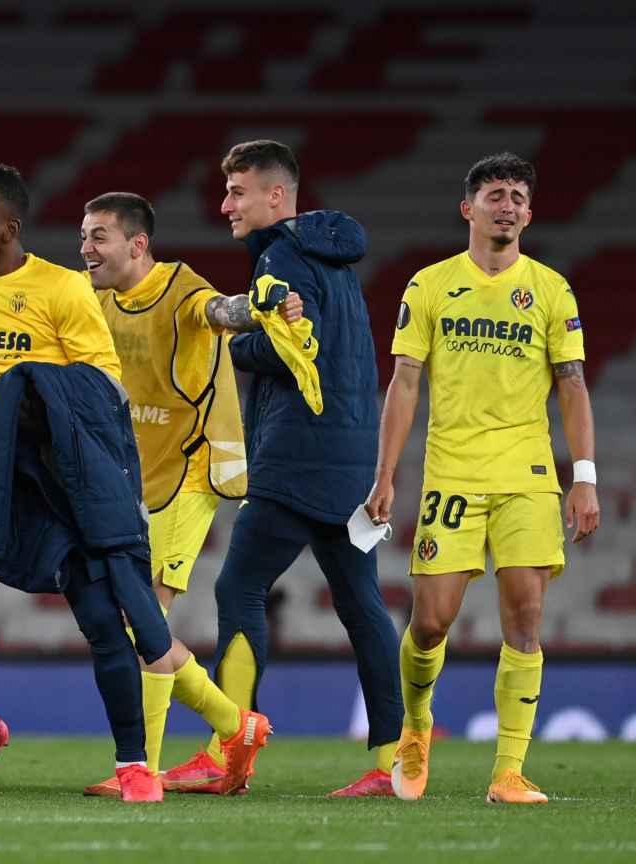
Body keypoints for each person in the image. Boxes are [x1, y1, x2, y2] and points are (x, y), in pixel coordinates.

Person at [0, 164, 239, 802]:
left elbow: (102, 386)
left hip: (51, 489)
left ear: (8, 226)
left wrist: (29, 395)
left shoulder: (62, 290)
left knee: (103, 623)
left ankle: (133, 765)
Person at [365, 153, 595, 805]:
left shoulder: (551, 289)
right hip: (452, 474)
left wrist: (585, 478)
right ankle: (415, 727)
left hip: (526, 474)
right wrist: (385, 475)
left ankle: (509, 771)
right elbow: (405, 383)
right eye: (497, 193)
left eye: (520, 195)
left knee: (525, 620)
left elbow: (571, 385)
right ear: (469, 208)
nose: (510, 204)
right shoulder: (430, 285)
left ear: (529, 211)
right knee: (432, 624)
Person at [204, 140, 402, 797]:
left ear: (276, 197)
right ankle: (390, 762)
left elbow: (294, 347)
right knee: (360, 602)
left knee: (238, 588)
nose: (225, 203)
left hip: (296, 455)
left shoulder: (282, 255)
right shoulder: (330, 255)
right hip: (348, 452)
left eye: (237, 191)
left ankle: (230, 749)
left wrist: (236, 336)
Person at [74, 192, 287, 795]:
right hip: (134, 474)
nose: (86, 248)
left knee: (146, 618)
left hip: (191, 471)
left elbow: (224, 312)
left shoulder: (183, 291)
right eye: (84, 236)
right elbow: (27, 292)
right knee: (132, 618)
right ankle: (234, 724)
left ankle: (141, 765)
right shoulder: (97, 296)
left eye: (98, 237)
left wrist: (263, 308)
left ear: (137, 245)